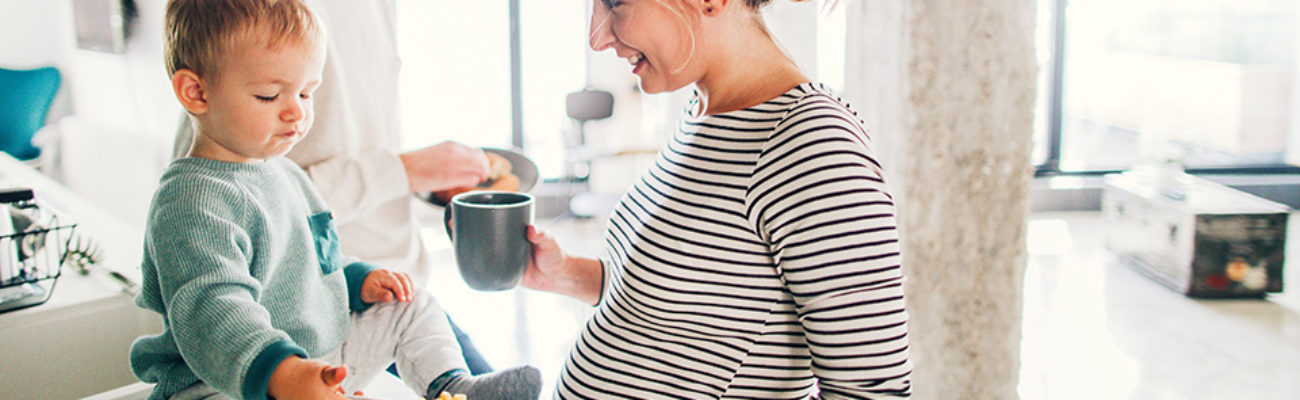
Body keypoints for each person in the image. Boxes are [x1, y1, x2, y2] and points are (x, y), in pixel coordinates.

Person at [130, 1, 540, 399]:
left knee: (412, 305)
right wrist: (284, 374)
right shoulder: (192, 200)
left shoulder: (281, 170)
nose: (296, 114)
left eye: (307, 94)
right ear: (195, 92)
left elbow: (309, 262)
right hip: (227, 382)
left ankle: (452, 386)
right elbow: (213, 313)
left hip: (318, 351)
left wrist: (356, 279)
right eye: (270, 97)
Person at [522, 0, 913, 398]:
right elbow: (684, 313)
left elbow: (872, 391)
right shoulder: (703, 112)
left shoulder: (813, 144)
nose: (597, 37)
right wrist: (566, 273)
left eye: (616, 3)